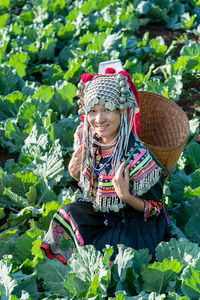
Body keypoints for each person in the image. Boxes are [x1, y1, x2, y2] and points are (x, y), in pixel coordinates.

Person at [41, 64, 168, 265]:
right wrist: (74, 173)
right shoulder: (87, 139)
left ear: (121, 112)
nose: (99, 119)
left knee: (116, 256)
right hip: (99, 213)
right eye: (92, 111)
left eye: (107, 110)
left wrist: (126, 196)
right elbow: (89, 189)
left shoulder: (137, 156)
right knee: (66, 215)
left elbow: (156, 210)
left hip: (133, 222)